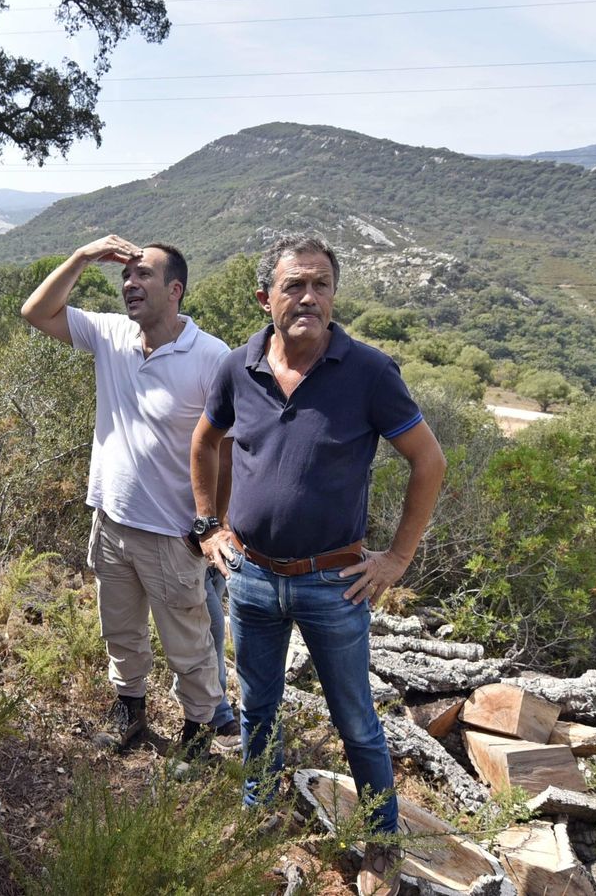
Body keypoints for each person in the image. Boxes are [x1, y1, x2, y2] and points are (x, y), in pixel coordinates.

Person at [190, 234, 446, 890]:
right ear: (265, 297)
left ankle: (381, 840)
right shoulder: (238, 366)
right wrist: (208, 527)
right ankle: (259, 808)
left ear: (333, 295)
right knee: (259, 706)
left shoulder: (367, 371)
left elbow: (428, 461)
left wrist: (397, 558)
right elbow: (205, 442)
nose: (308, 297)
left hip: (336, 583)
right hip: (248, 576)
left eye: (320, 285)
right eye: (294, 285)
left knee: (355, 718)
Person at [21, 235, 239, 757]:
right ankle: (130, 711)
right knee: (120, 631)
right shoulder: (111, 334)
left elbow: (227, 452)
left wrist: (211, 527)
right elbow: (35, 311)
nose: (129, 284)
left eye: (143, 275)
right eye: (126, 276)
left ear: (175, 290)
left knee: (188, 645)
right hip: (113, 519)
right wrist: (80, 258)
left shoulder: (212, 357)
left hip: (174, 533)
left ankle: (198, 732)